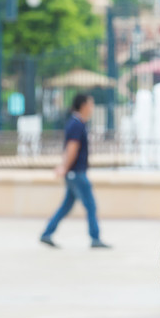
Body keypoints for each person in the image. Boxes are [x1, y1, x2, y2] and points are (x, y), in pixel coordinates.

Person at [40, 93, 110, 249]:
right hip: (77, 173)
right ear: (84, 105)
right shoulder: (77, 124)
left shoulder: (76, 123)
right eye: (91, 104)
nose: (92, 108)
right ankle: (95, 238)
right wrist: (64, 167)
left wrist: (64, 167)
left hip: (74, 173)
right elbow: (72, 148)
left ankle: (47, 233)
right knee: (90, 205)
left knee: (66, 206)